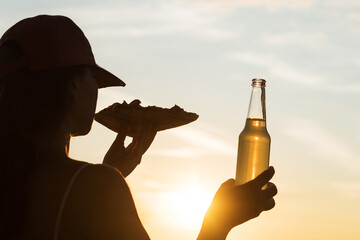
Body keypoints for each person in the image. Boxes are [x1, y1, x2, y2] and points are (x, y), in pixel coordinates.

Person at [0, 15, 277, 240]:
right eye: (94, 80)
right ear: (73, 85)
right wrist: (219, 221)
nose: (97, 92)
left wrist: (114, 170)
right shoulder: (96, 186)